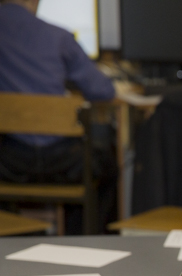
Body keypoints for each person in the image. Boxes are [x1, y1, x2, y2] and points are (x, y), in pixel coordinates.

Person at [0, 0, 117, 232]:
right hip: (63, 164)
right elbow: (103, 91)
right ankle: (83, 235)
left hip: (8, 163)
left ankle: (15, 234)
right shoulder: (58, 37)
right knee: (108, 159)